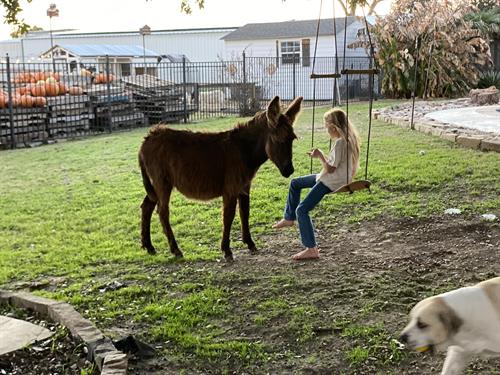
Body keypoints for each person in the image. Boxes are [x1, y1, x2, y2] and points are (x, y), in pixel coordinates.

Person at [273, 108, 361, 260]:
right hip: (332, 177)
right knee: (295, 183)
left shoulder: (341, 142)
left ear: (334, 127)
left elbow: (331, 169)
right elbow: (335, 164)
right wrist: (321, 156)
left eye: (326, 125)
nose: (326, 129)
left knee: (302, 210)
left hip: (332, 181)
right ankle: (288, 218)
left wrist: (320, 155)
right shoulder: (347, 139)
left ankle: (311, 249)